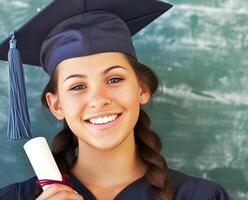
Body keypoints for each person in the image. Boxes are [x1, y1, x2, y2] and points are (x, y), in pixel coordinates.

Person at [0, 0, 229, 199]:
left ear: (141, 89)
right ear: (57, 105)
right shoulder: (16, 197)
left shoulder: (200, 196)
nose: (98, 99)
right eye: (78, 86)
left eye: (114, 79)